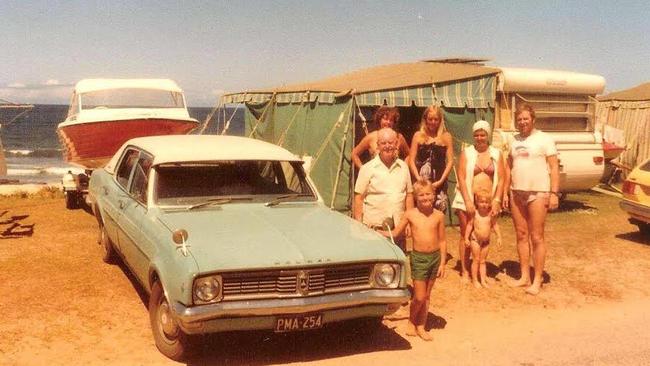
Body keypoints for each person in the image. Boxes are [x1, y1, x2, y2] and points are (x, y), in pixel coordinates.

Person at [378, 178, 446, 341]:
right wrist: (379, 233)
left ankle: (421, 325)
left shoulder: (439, 216)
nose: (425, 198)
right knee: (419, 297)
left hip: (435, 258)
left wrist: (442, 262)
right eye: (421, 195)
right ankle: (411, 320)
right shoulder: (410, 214)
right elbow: (395, 233)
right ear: (416, 197)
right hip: (419, 259)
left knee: (427, 296)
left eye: (428, 194)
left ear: (434, 194)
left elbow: (442, 240)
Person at [503, 103, 560, 295]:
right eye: (519, 119)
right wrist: (505, 192)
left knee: (536, 236)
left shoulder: (544, 139)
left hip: (538, 193)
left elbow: (553, 167)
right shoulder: (513, 140)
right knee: (521, 235)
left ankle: (538, 279)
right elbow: (508, 168)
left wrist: (554, 193)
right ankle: (524, 276)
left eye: (525, 118)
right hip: (516, 192)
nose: (522, 122)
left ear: (533, 119)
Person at [451, 120, 505, 284]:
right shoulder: (467, 153)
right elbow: (460, 176)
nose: (479, 138)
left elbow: (502, 179)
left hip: (486, 203)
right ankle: (465, 270)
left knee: (484, 233)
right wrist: (468, 200)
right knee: (465, 234)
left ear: (487, 135)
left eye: (482, 135)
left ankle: (479, 268)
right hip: (466, 199)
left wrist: (497, 200)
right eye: (476, 135)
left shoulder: (496, 153)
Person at [354, 128, 414, 251]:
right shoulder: (367, 168)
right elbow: (359, 198)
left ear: (397, 144)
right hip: (374, 228)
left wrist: (409, 222)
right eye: (383, 143)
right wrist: (359, 225)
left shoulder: (403, 167)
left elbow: (409, 195)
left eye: (390, 143)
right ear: (378, 146)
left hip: (398, 229)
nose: (387, 146)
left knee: (397, 264)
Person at [409, 106, 454, 212]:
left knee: (439, 210)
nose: (433, 122)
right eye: (430, 119)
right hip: (421, 182)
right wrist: (418, 178)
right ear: (425, 119)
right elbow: (411, 160)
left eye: (436, 119)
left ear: (440, 120)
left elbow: (450, 161)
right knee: (421, 211)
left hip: (439, 181)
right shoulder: (418, 136)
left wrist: (441, 180)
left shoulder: (446, 137)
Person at [464, 190, 502, 289]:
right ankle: (475, 280)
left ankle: (483, 280)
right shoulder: (475, 214)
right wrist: (466, 238)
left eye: (486, 202)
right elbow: (469, 225)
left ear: (490, 203)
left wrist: (499, 236)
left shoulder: (491, 214)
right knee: (476, 260)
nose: (484, 204)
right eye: (481, 202)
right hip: (475, 240)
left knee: (483, 261)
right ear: (477, 202)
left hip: (486, 242)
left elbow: (495, 225)